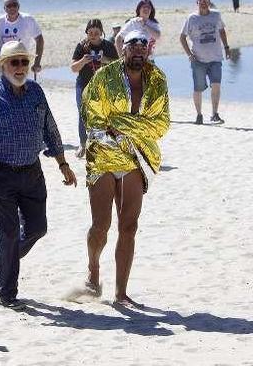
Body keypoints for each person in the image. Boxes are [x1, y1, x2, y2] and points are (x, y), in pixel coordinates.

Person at [0, 41, 77, 309]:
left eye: (23, 62)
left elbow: (50, 129)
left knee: (38, 229)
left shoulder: (36, 92)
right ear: (3, 65)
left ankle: (2, 257)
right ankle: (7, 294)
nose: (19, 68)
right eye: (14, 62)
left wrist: (63, 163)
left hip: (32, 172)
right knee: (7, 232)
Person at [81, 30, 170, 306]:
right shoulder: (103, 78)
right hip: (104, 154)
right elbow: (93, 119)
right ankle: (93, 268)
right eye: (133, 45)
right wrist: (130, 129)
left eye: (143, 46)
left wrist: (119, 123)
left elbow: (161, 125)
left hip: (137, 157)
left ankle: (121, 293)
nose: (138, 50)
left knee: (129, 226)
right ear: (123, 49)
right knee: (101, 226)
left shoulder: (157, 80)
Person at [179, 0, 231, 125]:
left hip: (215, 58)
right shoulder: (192, 18)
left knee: (216, 85)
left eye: (206, 0)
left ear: (209, 2)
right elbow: (182, 37)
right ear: (197, 2)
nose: (203, 3)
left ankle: (214, 114)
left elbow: (222, 31)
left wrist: (226, 47)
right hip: (198, 60)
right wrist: (189, 54)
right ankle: (199, 115)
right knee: (198, 88)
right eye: (201, 0)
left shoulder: (216, 15)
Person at [70, 19, 118, 158]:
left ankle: (102, 144)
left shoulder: (108, 45)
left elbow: (118, 66)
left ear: (101, 33)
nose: (93, 35)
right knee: (83, 113)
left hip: (102, 85)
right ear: (86, 33)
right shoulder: (82, 46)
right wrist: (83, 60)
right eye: (90, 33)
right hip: (83, 84)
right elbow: (73, 68)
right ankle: (83, 144)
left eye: (96, 33)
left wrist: (105, 60)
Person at [0, 0, 44, 75]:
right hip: (4, 62)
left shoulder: (28, 19)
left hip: (22, 61)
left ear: (18, 6)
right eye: (9, 6)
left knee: (21, 84)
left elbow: (39, 39)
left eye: (14, 5)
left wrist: (37, 62)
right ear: (4, 8)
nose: (12, 8)